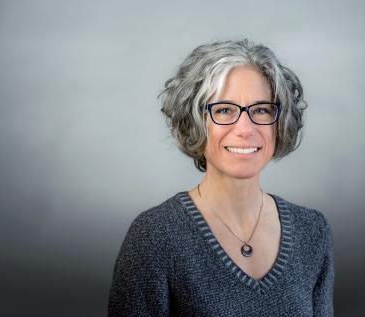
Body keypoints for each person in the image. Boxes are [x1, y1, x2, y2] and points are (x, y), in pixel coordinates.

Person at [108, 39, 334, 316]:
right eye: (224, 110)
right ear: (194, 121)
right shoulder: (155, 237)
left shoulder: (312, 231)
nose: (245, 128)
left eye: (261, 110)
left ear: (280, 122)